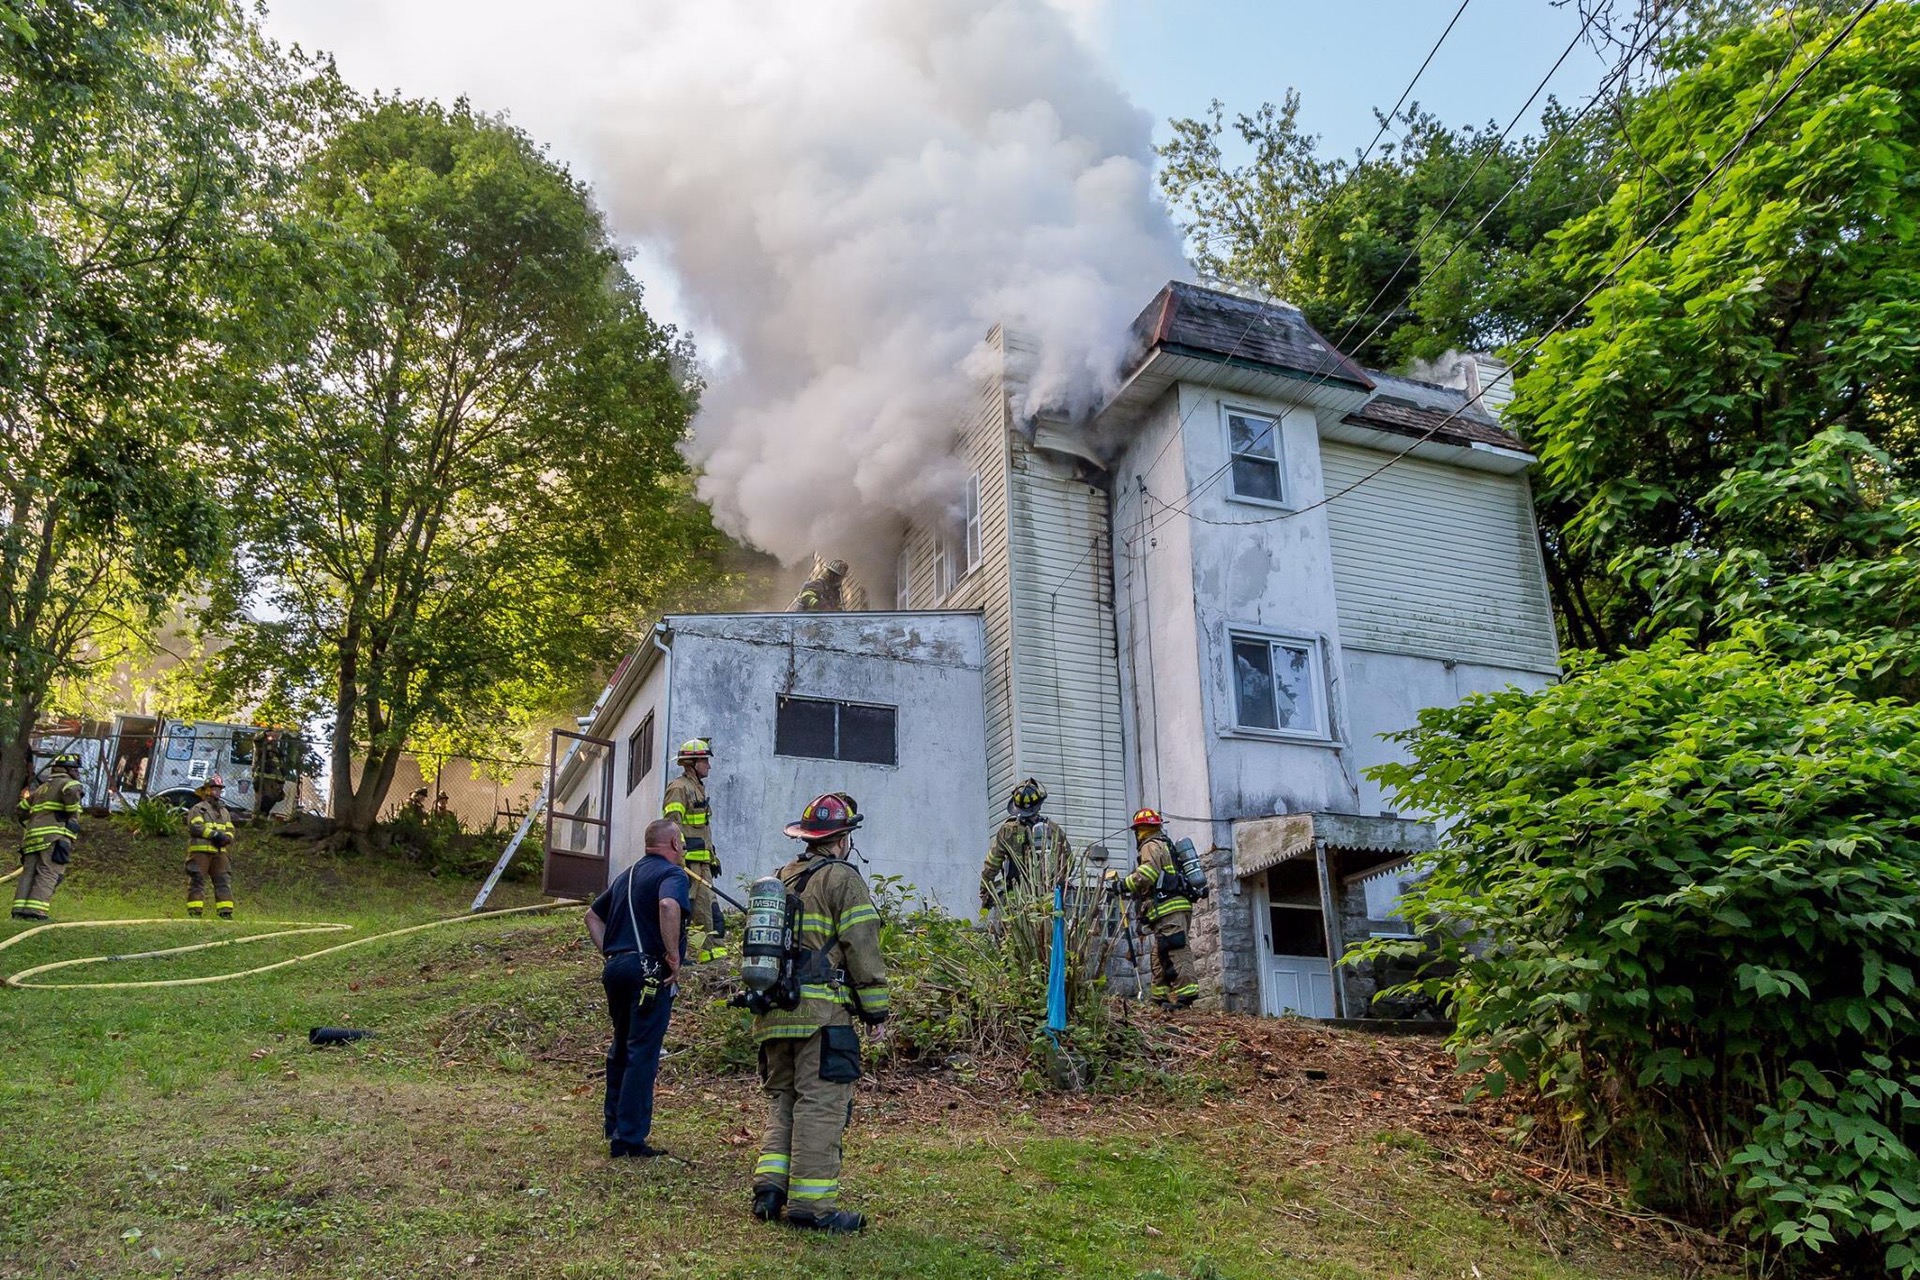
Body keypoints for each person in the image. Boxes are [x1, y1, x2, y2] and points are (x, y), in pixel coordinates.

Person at [750, 793, 889, 1233]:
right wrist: (876, 1010)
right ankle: (811, 1208)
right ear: (842, 838)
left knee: (784, 1101)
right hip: (822, 1016)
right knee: (821, 1105)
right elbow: (861, 945)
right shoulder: (841, 879)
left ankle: (769, 1191)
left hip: (773, 1011)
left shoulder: (780, 878)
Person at [585, 818, 690, 1159]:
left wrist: (612, 952)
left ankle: (613, 1123)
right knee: (642, 1051)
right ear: (674, 844)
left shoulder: (626, 876)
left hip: (616, 968)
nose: (684, 849)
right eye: (683, 843)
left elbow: (592, 916)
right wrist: (672, 955)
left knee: (622, 1046)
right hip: (648, 971)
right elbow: (667, 905)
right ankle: (629, 1140)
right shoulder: (671, 875)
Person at [1118, 808, 1198, 1007]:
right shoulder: (1165, 845)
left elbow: (1147, 873)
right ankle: (1159, 997)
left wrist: (1123, 884)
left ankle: (1185, 996)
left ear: (1140, 830)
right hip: (1171, 908)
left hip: (1169, 908)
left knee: (1175, 949)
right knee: (1160, 953)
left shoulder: (1151, 845)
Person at [662, 738, 725, 962]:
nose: (709, 765)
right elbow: (671, 825)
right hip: (687, 864)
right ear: (692, 763)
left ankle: (711, 955)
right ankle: (679, 955)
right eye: (705, 760)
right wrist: (678, 858)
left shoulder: (697, 787)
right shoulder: (679, 788)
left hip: (702, 863)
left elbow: (703, 829)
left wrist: (712, 858)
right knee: (684, 910)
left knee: (708, 909)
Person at [979, 778, 1072, 913]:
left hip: (1016, 898)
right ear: (1039, 804)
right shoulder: (1053, 830)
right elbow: (1069, 862)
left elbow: (992, 863)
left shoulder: (1008, 831)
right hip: (1048, 899)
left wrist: (985, 889)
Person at [12, 753, 84, 921]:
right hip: (54, 838)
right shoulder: (68, 783)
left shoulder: (42, 788)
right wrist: (71, 810)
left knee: (29, 873)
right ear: (67, 769)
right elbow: (73, 789)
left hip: (31, 839)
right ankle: (36, 912)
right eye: (75, 769)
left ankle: (19, 910)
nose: (77, 773)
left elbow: (21, 808)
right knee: (49, 872)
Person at [185, 775, 237, 919]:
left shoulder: (224, 812)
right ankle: (195, 913)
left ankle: (225, 912)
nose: (218, 792)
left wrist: (228, 838)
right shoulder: (198, 809)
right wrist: (214, 835)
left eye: (219, 790)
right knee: (197, 881)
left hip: (220, 853)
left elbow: (231, 829)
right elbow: (195, 827)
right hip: (200, 852)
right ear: (206, 791)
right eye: (215, 789)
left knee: (223, 881)